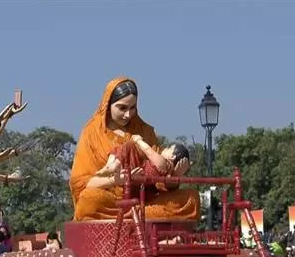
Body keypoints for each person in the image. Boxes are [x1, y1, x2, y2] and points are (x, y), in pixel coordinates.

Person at [69, 77, 200, 221]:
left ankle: (137, 213)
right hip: (112, 201)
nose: (128, 114)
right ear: (108, 104)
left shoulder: (145, 131)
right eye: (122, 108)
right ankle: (136, 214)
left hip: (146, 199)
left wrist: (174, 176)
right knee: (89, 200)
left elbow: (159, 180)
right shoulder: (91, 133)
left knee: (191, 198)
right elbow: (81, 184)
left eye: (132, 108)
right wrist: (115, 181)